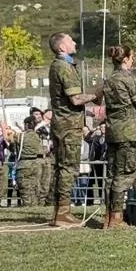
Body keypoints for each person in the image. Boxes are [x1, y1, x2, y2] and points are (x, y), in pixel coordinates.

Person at [95, 46, 136, 228]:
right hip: (128, 133)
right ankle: (117, 218)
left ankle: (108, 217)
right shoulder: (128, 78)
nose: (132, 61)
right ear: (126, 59)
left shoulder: (108, 80)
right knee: (125, 174)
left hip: (112, 131)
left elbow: (97, 99)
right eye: (131, 58)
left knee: (112, 175)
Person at [47, 31, 90, 226]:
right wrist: (97, 94)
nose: (74, 42)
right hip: (68, 124)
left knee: (62, 167)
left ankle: (59, 211)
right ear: (62, 47)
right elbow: (75, 98)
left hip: (63, 122)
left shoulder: (60, 65)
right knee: (68, 168)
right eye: (70, 40)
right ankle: (62, 212)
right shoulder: (64, 67)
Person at [16, 115, 45, 207]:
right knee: (34, 187)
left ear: (26, 125)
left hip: (24, 164)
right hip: (35, 163)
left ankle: (27, 206)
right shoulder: (37, 136)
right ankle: (35, 206)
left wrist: (4, 127)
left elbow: (8, 139)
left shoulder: (22, 136)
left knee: (25, 188)